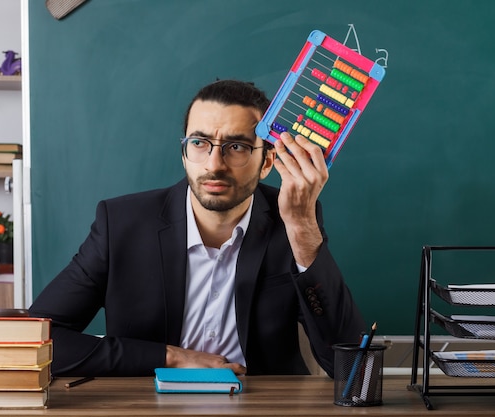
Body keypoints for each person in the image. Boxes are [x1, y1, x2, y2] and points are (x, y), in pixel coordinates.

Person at [29, 79, 366, 378]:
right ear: (184, 152)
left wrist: (302, 227)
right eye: (200, 143)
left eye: (237, 147)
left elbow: (352, 368)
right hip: (146, 408)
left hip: (261, 408)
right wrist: (170, 357)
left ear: (267, 162)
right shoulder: (120, 225)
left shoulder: (294, 222)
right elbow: (36, 340)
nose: (214, 165)